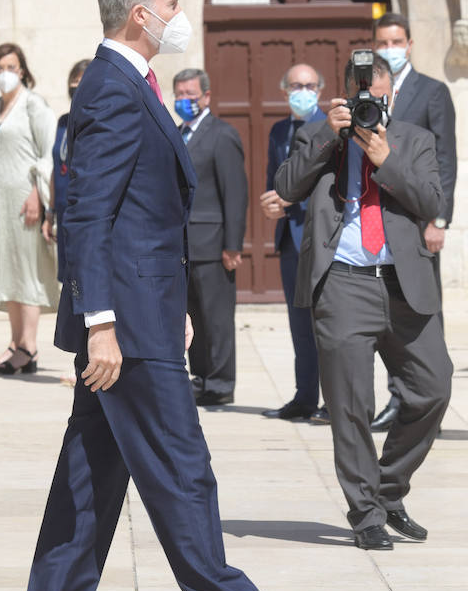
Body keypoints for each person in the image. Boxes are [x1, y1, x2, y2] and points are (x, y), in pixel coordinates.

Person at [18, 0, 316, 591]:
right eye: (174, 2)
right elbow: (88, 214)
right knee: (184, 470)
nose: (182, 14)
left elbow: (144, 218)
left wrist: (172, 302)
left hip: (144, 311)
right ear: (140, 14)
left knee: (89, 478)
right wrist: (102, 323)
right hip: (126, 329)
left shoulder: (129, 84)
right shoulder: (114, 89)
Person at [275, 55, 450, 552]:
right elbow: (287, 188)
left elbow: (431, 202)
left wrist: (384, 160)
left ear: (392, 93)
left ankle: (388, 490)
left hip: (403, 284)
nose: (372, 104)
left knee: (432, 388)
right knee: (351, 405)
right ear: (347, 98)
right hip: (344, 283)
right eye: (362, 98)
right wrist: (331, 139)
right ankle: (367, 513)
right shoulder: (318, 136)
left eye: (380, 95)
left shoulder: (415, 140)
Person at [370, 12, 456, 432]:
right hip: (380, 223)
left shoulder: (432, 92)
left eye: (397, 40)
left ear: (410, 43)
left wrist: (438, 219)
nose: (391, 47)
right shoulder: (370, 90)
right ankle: (399, 396)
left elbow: (445, 161)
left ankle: (427, 393)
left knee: (422, 308)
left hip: (419, 218)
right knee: (387, 313)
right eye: (383, 42)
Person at [0, 43, 59, 375]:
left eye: (11, 67)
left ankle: (29, 346)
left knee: (27, 272)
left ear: (22, 69)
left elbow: (48, 154)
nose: (5, 74)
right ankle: (14, 342)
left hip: (25, 203)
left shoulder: (34, 107)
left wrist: (39, 196)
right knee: (6, 271)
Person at [172, 67, 247, 406]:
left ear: (206, 97)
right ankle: (199, 377)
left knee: (216, 319)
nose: (184, 100)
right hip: (181, 246)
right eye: (179, 94)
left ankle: (220, 383)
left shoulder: (222, 135)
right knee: (192, 318)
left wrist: (233, 245)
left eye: (190, 94)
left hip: (213, 244)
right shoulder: (176, 133)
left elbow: (235, 193)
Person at [260, 64, 328, 424]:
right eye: (296, 85)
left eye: (310, 85)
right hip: (290, 239)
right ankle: (305, 397)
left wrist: (290, 197)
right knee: (299, 325)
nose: (304, 91)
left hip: (322, 241)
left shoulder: (331, 128)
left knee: (327, 325)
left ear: (320, 90)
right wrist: (273, 204)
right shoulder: (279, 130)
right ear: (285, 91)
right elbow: (276, 178)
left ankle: (334, 402)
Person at [42, 59, 89, 270]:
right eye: (74, 80)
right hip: (63, 210)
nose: (76, 86)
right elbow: (56, 165)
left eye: (82, 80)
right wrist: (50, 211)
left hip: (85, 212)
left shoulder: (97, 120)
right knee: (68, 276)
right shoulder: (63, 121)